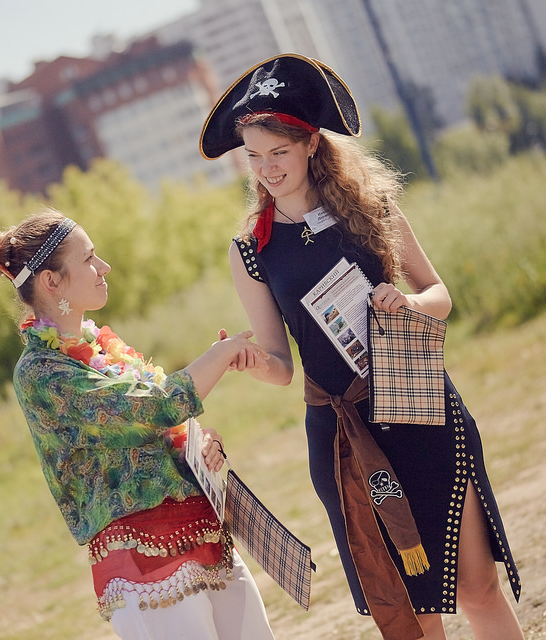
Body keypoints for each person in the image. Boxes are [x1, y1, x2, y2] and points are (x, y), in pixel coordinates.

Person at [199, 54, 523, 640]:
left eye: (279, 152)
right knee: (413, 617)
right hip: (343, 435)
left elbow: (440, 295)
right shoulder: (250, 250)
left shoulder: (373, 206)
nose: (266, 168)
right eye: (254, 156)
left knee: (478, 587)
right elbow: (281, 366)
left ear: (311, 144)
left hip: (417, 399)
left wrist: (408, 304)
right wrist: (249, 361)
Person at [0, 184, 274, 640]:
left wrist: (198, 443)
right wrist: (220, 355)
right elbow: (150, 408)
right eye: (88, 258)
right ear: (51, 281)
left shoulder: (100, 345)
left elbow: (158, 422)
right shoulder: (41, 373)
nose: (104, 267)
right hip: (144, 563)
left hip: (204, 533)